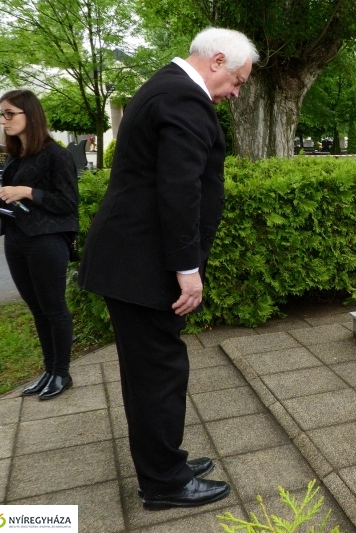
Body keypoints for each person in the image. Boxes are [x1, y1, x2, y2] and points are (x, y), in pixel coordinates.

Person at [78, 27, 258, 511]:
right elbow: (179, 190)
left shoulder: (163, 86)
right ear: (217, 61)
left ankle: (165, 462)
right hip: (145, 266)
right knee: (159, 373)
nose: (236, 93)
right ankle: (164, 482)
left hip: (131, 261)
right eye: (238, 81)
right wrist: (187, 268)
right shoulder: (184, 98)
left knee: (150, 372)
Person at [0, 90, 78, 400]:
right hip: (17, 240)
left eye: (10, 114)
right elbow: (11, 200)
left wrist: (26, 191)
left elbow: (67, 203)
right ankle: (49, 370)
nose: (3, 120)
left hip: (46, 241)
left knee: (53, 308)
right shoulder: (16, 157)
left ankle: (62, 373)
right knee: (37, 309)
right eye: (2, 114)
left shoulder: (56, 155)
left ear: (30, 116)